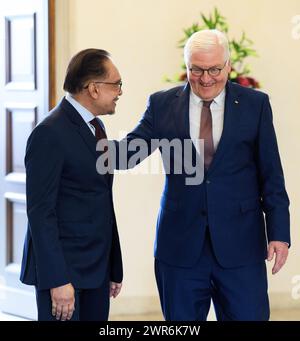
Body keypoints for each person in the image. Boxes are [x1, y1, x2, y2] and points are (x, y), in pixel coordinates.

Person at [114, 30, 290, 320]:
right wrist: (85, 133)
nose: (206, 78)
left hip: (241, 247)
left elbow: (272, 174)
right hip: (180, 248)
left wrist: (279, 234)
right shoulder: (161, 105)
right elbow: (128, 153)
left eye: (214, 69)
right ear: (187, 67)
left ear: (228, 66)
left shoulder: (255, 105)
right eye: (196, 69)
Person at [20, 49, 123, 321]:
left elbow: (100, 200)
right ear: (93, 88)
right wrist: (58, 280)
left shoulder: (96, 127)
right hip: (65, 275)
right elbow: (41, 214)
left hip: (96, 271)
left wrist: (113, 267)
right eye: (116, 84)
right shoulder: (49, 134)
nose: (120, 92)